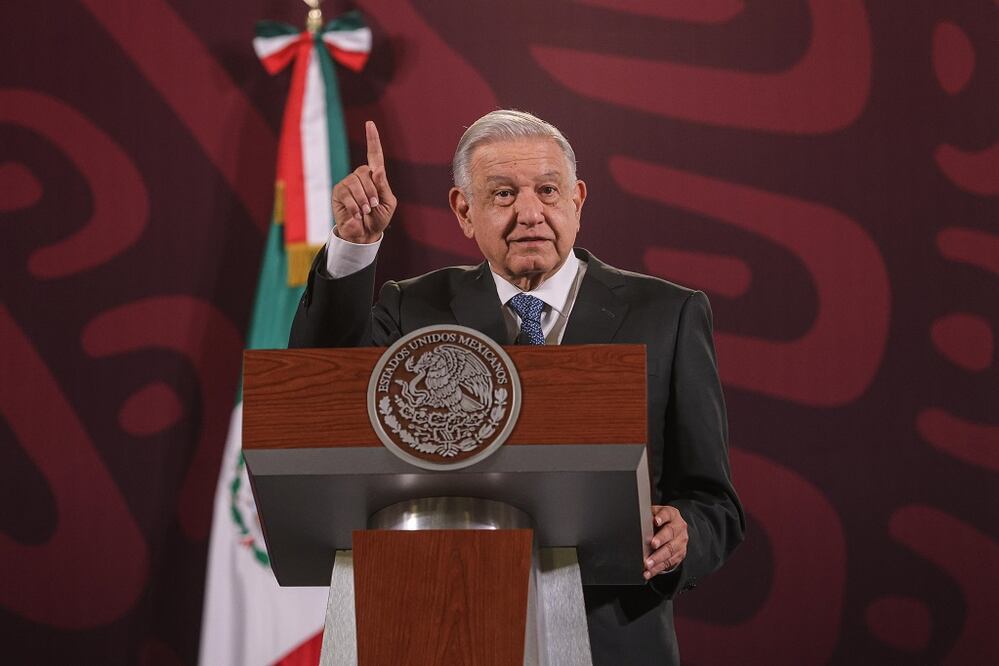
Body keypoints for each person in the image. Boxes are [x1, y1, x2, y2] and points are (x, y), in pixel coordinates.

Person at [289, 110, 744, 665]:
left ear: (577, 199)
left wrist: (684, 535)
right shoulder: (414, 307)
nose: (530, 213)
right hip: (441, 628)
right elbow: (318, 401)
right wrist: (354, 247)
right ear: (464, 210)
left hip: (612, 640)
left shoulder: (669, 313)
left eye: (547, 191)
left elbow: (713, 501)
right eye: (503, 194)